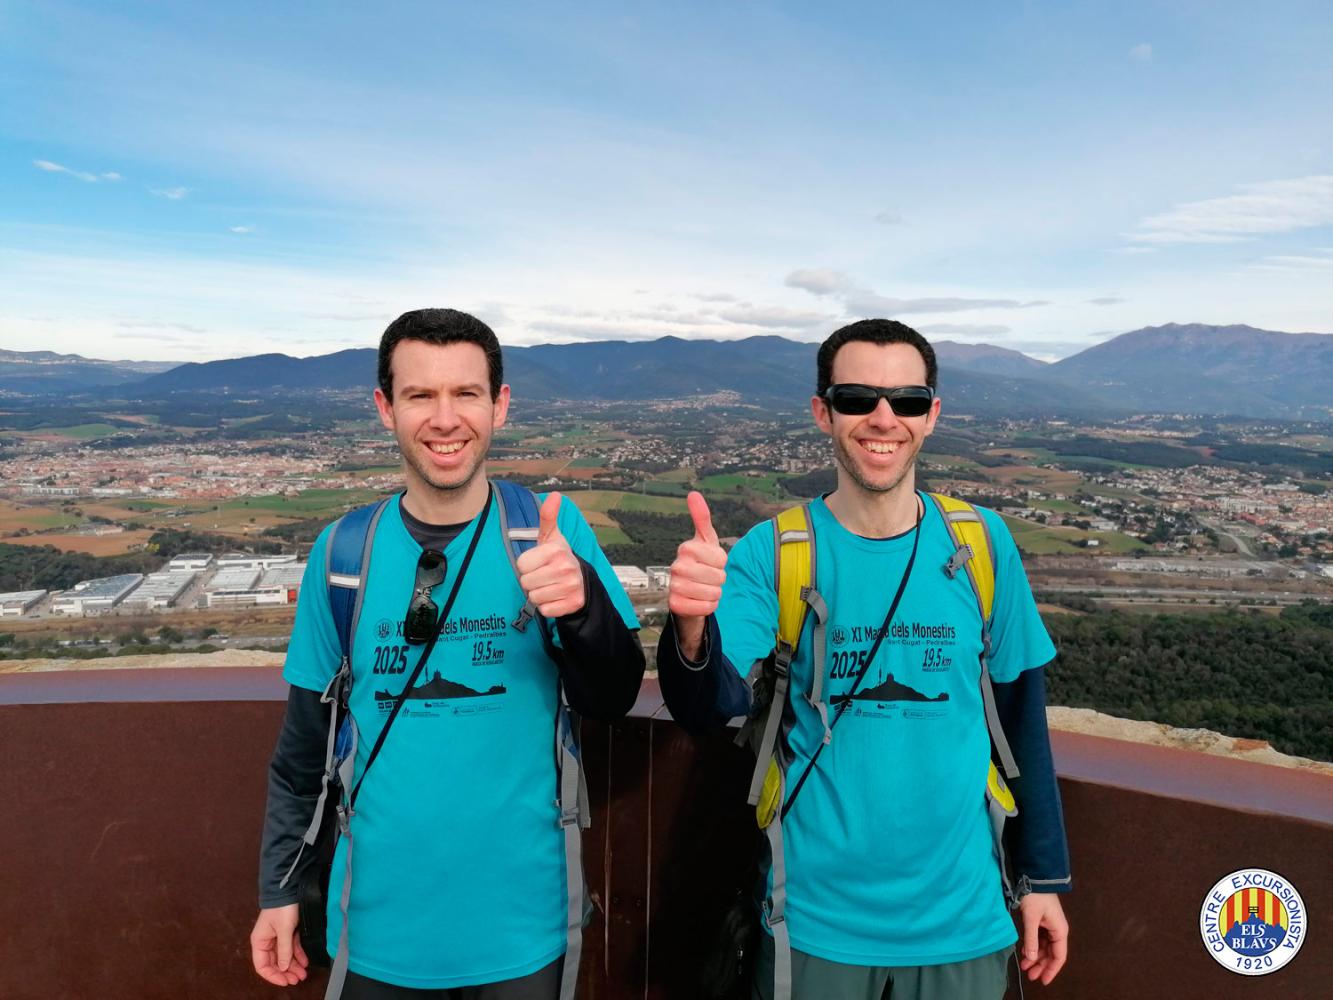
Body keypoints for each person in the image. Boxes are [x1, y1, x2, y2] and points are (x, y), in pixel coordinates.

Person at [658, 319, 1070, 1000]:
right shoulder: (775, 552)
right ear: (823, 412)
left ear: (932, 415)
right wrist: (690, 627)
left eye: (907, 400)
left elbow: (1021, 717)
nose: (883, 418)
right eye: (856, 398)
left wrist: (1042, 879)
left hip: (966, 917)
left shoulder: (981, 545)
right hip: (811, 921)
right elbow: (713, 703)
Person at [251, 308, 645, 999]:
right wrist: (280, 889)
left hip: (525, 925)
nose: (444, 419)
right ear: (385, 408)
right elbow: (304, 748)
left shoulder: (547, 535)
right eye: (419, 395)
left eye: (465, 393)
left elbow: (611, 697)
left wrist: (582, 604)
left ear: (499, 405)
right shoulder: (343, 556)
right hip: (372, 928)